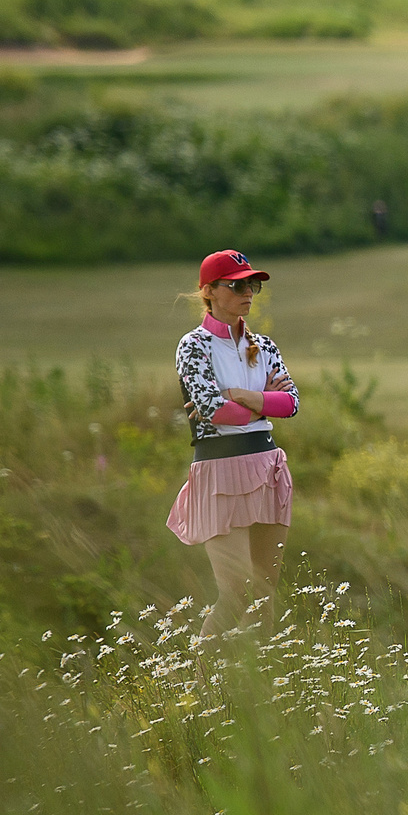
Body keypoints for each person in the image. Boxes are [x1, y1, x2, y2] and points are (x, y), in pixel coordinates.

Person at [166, 250, 300, 634]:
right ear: (208, 291)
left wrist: (242, 397)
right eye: (237, 285)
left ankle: (258, 690)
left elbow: (291, 403)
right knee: (238, 593)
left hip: (266, 466)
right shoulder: (193, 346)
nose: (248, 292)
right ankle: (199, 688)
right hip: (219, 469)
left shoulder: (265, 345)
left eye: (252, 284)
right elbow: (213, 411)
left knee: (265, 596)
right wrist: (262, 402)